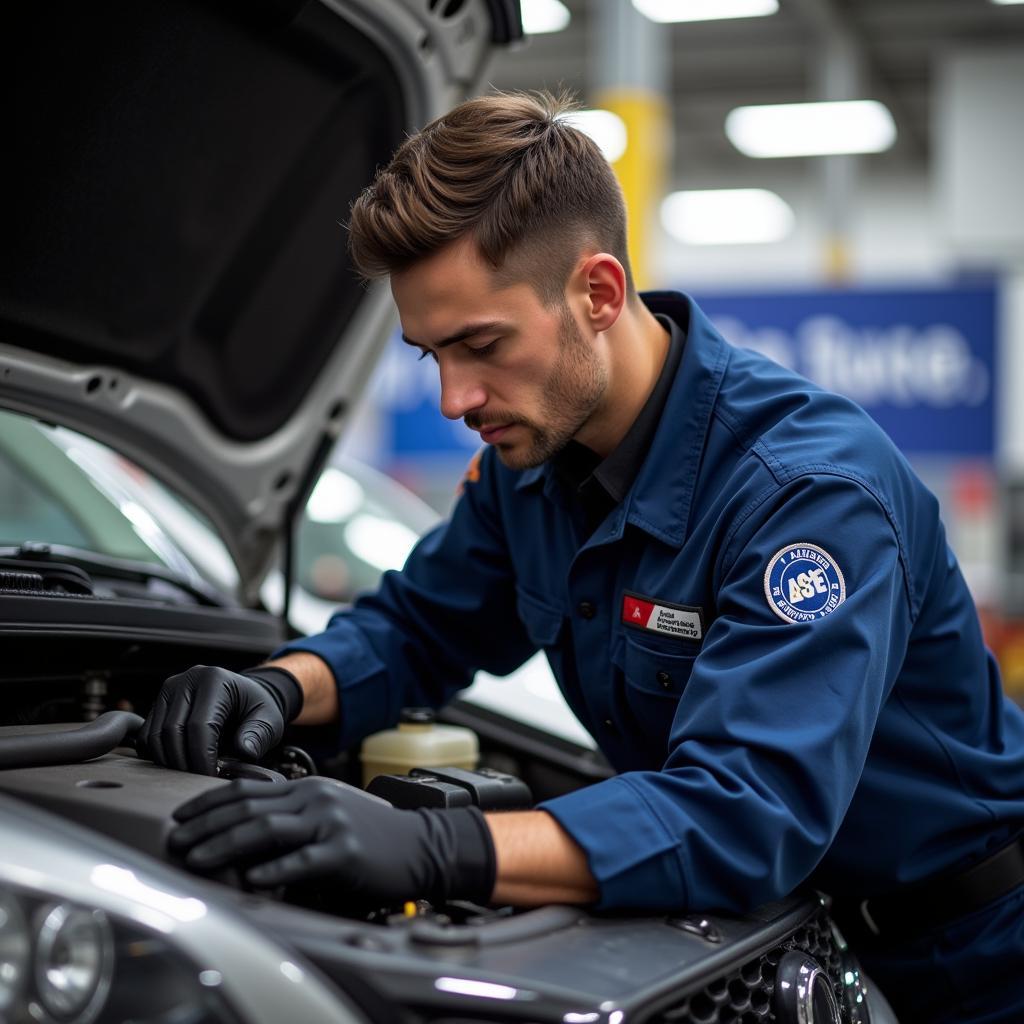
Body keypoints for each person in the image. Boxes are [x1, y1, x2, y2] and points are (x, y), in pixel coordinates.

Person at [142, 92, 1024, 1022]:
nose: (453, 397)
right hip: (783, 936)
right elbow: (418, 625)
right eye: (429, 354)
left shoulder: (804, 495)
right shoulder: (532, 467)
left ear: (598, 294)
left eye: (481, 345)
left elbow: (742, 813)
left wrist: (436, 847)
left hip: (975, 960)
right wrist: (281, 687)